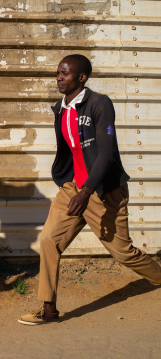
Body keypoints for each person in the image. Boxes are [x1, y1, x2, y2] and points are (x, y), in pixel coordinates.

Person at [18, 54, 161, 325]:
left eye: (65, 73)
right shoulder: (60, 109)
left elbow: (106, 152)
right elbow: (71, 152)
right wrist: (73, 187)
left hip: (102, 192)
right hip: (73, 188)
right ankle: (48, 309)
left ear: (81, 78)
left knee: (123, 252)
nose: (58, 77)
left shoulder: (99, 103)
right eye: (58, 73)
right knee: (49, 239)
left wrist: (87, 192)